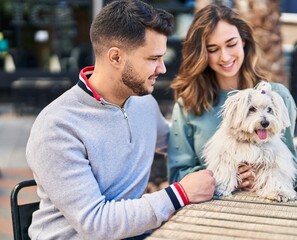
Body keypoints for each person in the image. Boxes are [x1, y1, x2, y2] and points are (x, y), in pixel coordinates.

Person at [26, 1, 215, 239]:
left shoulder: (143, 102)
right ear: (115, 57)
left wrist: (235, 160)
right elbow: (96, 223)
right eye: (153, 58)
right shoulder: (57, 127)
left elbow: (176, 142)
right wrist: (180, 194)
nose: (163, 68)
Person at [168, 4, 297, 192]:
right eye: (213, 49)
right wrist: (226, 177)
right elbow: (177, 174)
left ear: (244, 41)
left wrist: (265, 179)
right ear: (202, 53)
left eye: (231, 44)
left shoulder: (278, 96)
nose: (225, 56)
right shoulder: (188, 103)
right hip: (209, 211)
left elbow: (292, 170)